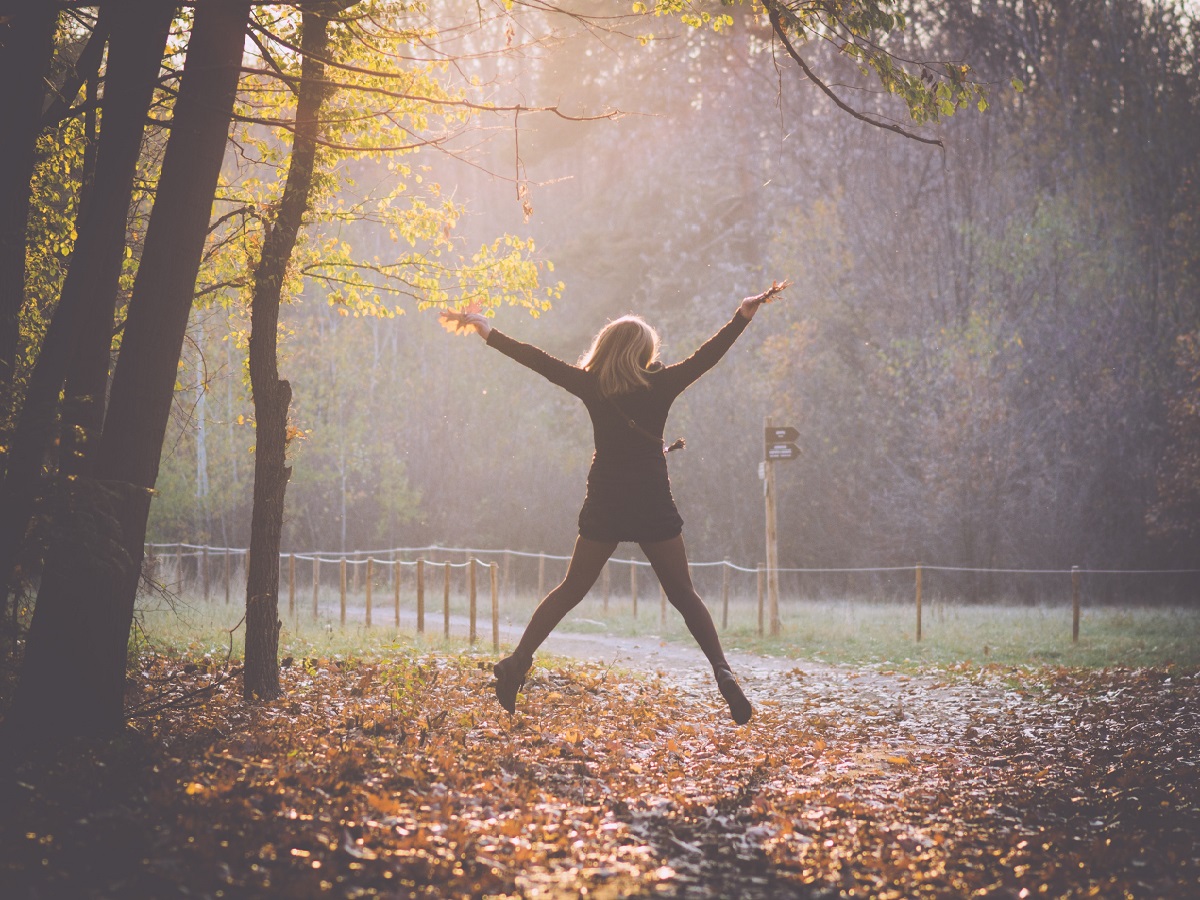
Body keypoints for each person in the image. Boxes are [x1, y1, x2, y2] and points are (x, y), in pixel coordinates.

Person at [442, 284, 787, 725]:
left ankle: (517, 663)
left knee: (570, 590)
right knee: (683, 593)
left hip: (606, 499)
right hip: (650, 500)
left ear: (606, 347)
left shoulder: (592, 385)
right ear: (643, 351)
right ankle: (723, 672)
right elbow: (707, 357)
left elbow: (537, 360)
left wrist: (489, 332)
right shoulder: (662, 384)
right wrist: (742, 316)